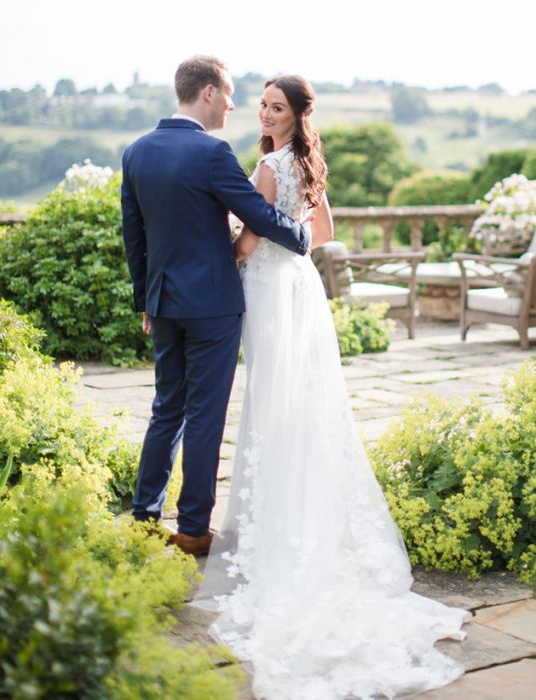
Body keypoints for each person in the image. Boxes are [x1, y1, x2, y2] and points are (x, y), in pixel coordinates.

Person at [196, 75, 470, 700]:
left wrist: (228, 251)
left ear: (295, 115)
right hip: (303, 288)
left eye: (275, 106)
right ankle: (305, 510)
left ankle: (281, 529)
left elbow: (249, 239)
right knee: (301, 400)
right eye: (262, 103)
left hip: (269, 291)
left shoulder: (268, 164)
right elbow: (319, 235)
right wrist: (276, 243)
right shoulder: (307, 163)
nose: (265, 112)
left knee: (272, 400)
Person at [121, 56, 310, 557]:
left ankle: (143, 517)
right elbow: (258, 215)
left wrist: (145, 298)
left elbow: (134, 238)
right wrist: (303, 234)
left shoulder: (137, 152)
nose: (232, 104)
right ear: (207, 92)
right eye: (228, 94)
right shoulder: (213, 153)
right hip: (212, 306)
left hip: (162, 302)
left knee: (167, 409)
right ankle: (192, 529)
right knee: (205, 414)